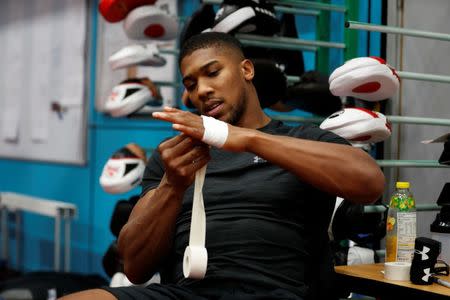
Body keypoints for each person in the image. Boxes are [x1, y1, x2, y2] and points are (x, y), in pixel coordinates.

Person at [60, 32, 384, 300]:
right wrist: (172, 185)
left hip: (278, 293)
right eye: (190, 84)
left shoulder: (301, 139)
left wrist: (248, 140)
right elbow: (134, 266)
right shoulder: (175, 157)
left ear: (246, 70)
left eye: (212, 73)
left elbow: (370, 183)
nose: (201, 90)